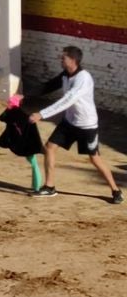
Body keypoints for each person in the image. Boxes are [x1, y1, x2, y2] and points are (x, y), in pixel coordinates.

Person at [28, 46, 123, 204]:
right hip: (70, 122)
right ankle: (49, 186)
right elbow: (48, 86)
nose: (61, 60)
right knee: (50, 147)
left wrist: (41, 114)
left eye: (63, 58)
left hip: (87, 125)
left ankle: (115, 190)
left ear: (72, 60)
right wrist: (24, 94)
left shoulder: (83, 79)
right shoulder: (66, 74)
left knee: (95, 159)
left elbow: (67, 100)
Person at [0, 94, 45, 194]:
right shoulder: (25, 114)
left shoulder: (11, 114)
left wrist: (8, 109)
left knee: (33, 163)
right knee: (33, 163)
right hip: (28, 141)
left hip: (22, 142)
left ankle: (36, 187)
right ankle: (35, 186)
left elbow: (1, 118)